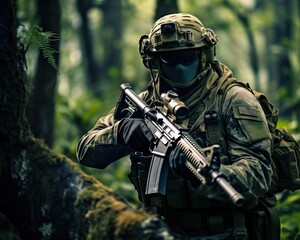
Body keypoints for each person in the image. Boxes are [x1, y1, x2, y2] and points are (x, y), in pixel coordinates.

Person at [76, 13, 280, 240]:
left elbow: (260, 173)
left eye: (187, 57)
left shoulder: (234, 100)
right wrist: (122, 131)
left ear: (204, 55)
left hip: (226, 231)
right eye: (170, 60)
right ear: (155, 62)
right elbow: (86, 151)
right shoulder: (146, 102)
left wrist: (202, 175)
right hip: (163, 230)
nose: (180, 67)